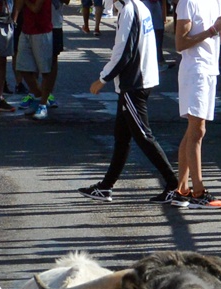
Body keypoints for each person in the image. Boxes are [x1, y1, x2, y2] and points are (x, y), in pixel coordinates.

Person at [77, 0, 179, 203]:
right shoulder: (136, 6)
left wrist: (102, 79)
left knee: (143, 136)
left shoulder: (130, 10)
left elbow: (124, 52)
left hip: (134, 83)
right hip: (139, 80)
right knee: (122, 137)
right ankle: (106, 186)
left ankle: (173, 185)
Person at [173, 0, 221, 208]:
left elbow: (220, 39)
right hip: (195, 71)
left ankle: (181, 189)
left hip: (209, 70)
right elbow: (180, 43)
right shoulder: (187, 3)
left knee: (193, 131)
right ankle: (198, 192)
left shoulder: (215, 2)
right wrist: (212, 30)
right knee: (198, 130)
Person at [13, 0, 54, 118]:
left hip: (42, 31)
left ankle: (42, 105)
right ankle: (38, 97)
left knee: (45, 71)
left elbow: (36, 8)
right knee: (22, 67)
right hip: (26, 29)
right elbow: (18, 5)